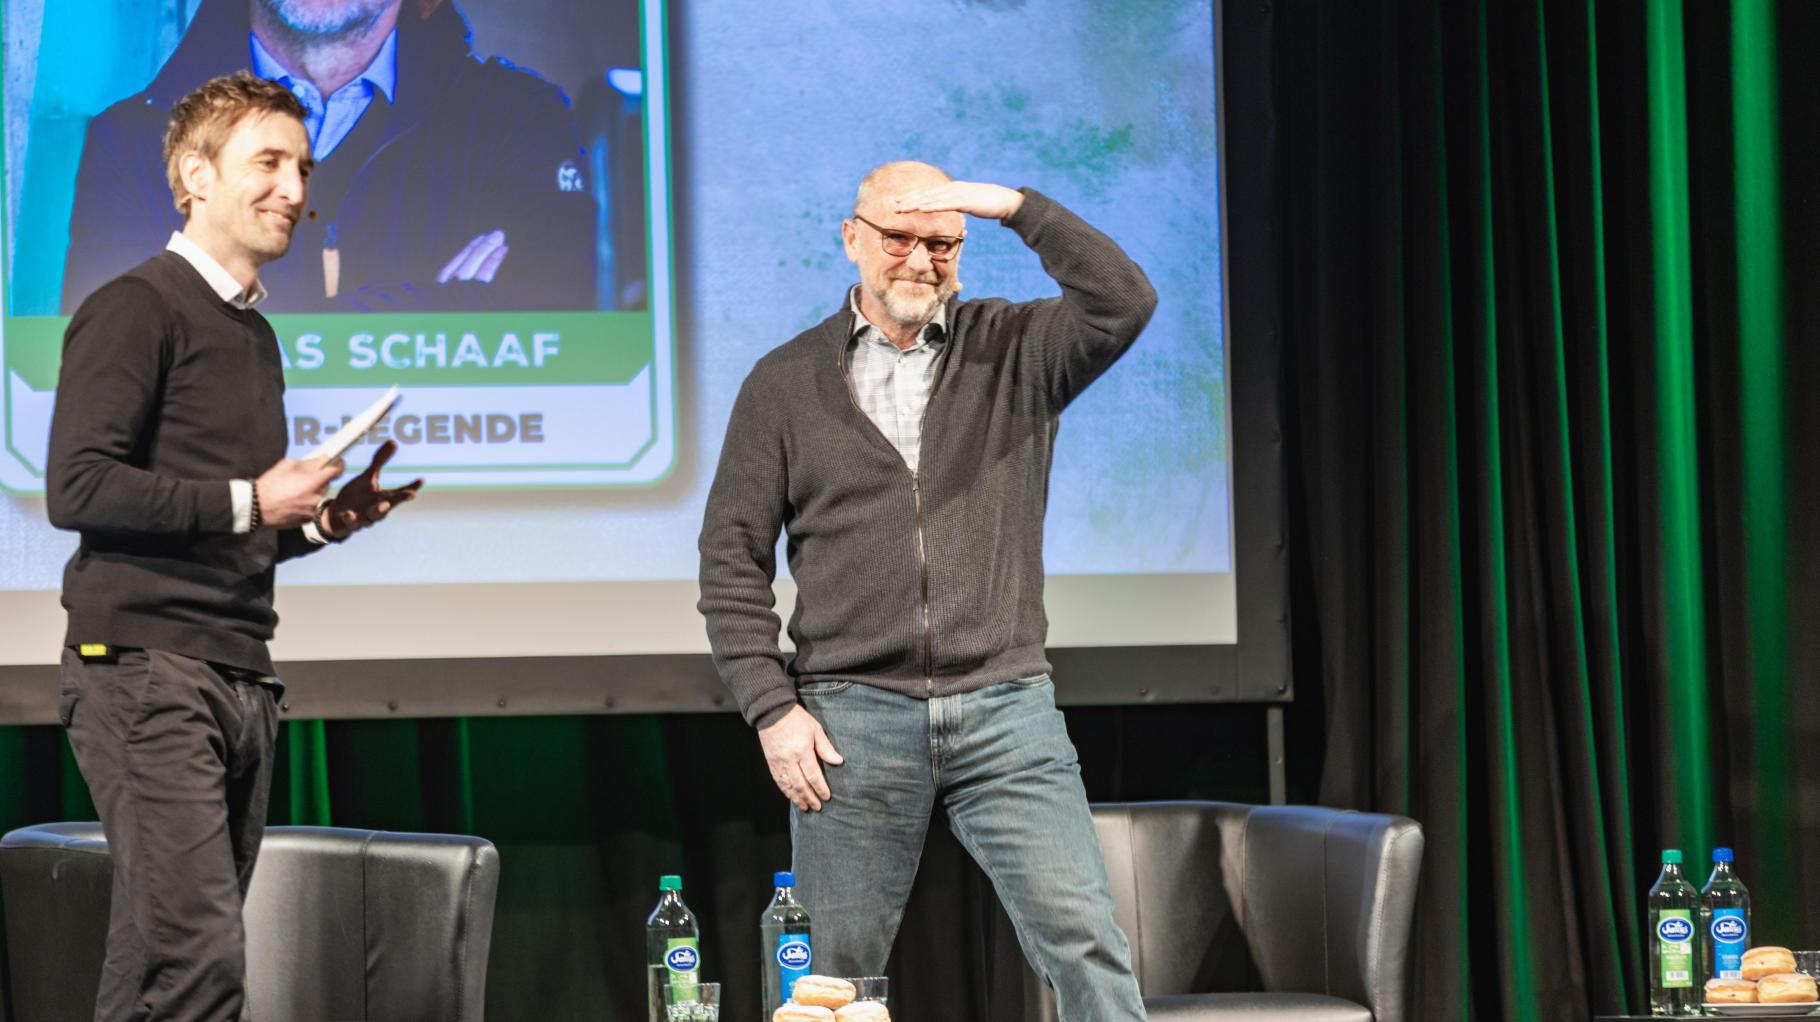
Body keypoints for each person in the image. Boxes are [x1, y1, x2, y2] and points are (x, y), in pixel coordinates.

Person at [698, 160, 1157, 1018]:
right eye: (899, 237)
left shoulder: (1016, 349)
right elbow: (730, 559)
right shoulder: (784, 382)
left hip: (1005, 708)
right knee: (829, 978)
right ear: (852, 239)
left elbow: (1124, 301)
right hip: (852, 718)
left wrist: (1014, 207)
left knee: (1085, 942)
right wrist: (770, 707)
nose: (919, 259)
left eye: (942, 243)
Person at [45, 71, 421, 1021]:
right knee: (200, 965)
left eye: (304, 168)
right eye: (269, 163)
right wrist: (255, 499)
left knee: (157, 966)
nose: (295, 189)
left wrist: (321, 521)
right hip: (147, 673)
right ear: (194, 176)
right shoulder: (136, 307)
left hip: (238, 673)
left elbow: (223, 531)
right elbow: (79, 488)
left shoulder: (254, 337)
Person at [60, 0, 596, 314]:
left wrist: (230, 322)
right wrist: (436, 312)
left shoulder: (521, 121)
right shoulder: (133, 143)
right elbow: (120, 369)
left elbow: (562, 338)